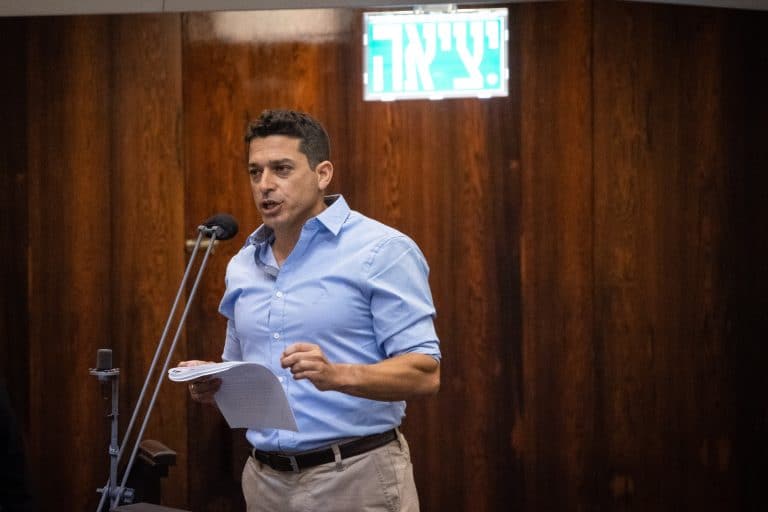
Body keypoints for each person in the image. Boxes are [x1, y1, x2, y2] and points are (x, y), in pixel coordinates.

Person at [180, 109, 441, 512]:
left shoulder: (381, 251)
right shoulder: (243, 265)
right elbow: (241, 370)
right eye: (255, 172)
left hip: (353, 478)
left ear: (322, 174)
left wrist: (337, 375)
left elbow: (425, 374)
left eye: (281, 169)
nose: (265, 185)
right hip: (264, 482)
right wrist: (214, 383)